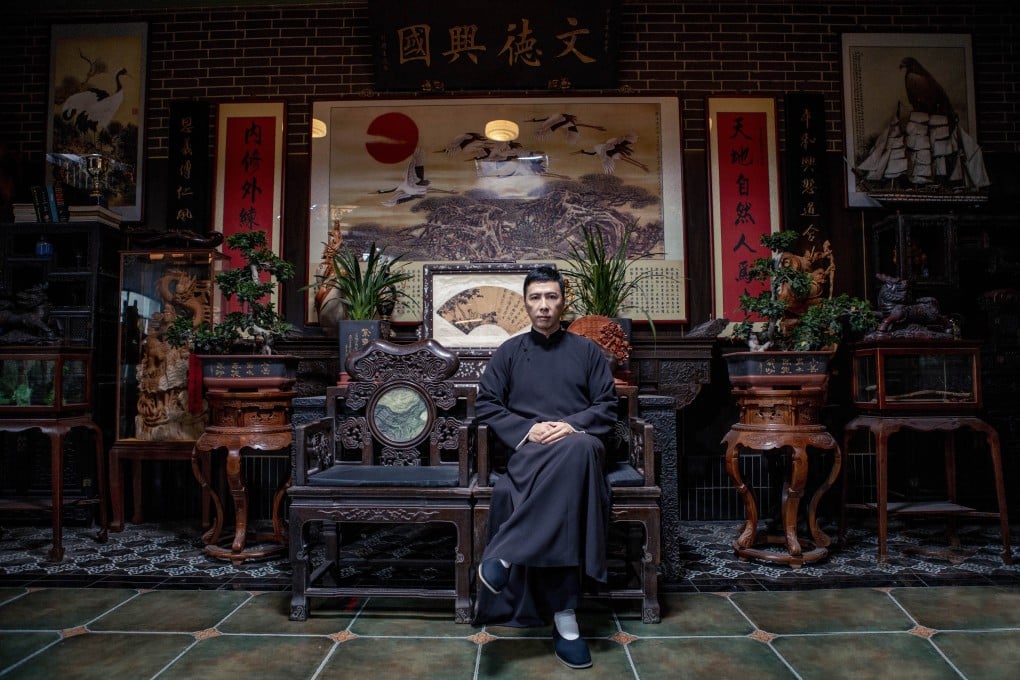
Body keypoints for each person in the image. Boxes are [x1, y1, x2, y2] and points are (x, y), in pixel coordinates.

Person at [473, 265, 618, 670]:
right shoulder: (509, 352)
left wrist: (572, 425)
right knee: (574, 469)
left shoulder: (587, 351)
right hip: (531, 452)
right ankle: (566, 619)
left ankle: (504, 555)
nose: (543, 306)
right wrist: (529, 430)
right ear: (525, 302)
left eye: (551, 297)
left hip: (579, 445)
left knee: (580, 449)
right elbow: (487, 404)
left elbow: (607, 406)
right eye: (535, 298)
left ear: (563, 300)